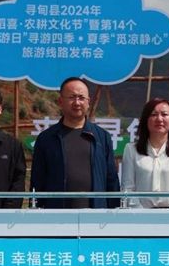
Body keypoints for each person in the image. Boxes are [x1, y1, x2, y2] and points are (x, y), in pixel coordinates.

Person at [30, 77, 120, 208]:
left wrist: (114, 212)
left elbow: (111, 180)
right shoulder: (46, 138)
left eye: (81, 98)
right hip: (56, 213)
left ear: (88, 102)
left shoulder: (102, 137)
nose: (77, 102)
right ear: (60, 101)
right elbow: (37, 181)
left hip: (96, 213)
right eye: (72, 97)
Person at [121, 98, 169, 208]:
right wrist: (139, 212)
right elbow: (127, 188)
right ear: (146, 119)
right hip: (140, 214)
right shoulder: (131, 150)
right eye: (153, 114)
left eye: (164, 114)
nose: (159, 119)